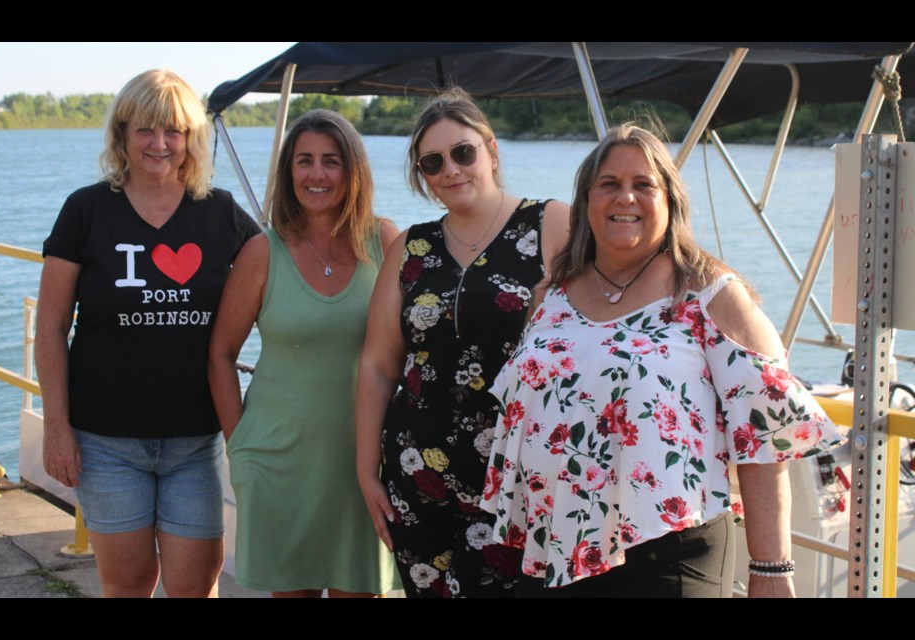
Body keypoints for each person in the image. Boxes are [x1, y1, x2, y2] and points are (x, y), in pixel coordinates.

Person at [479, 122, 845, 598]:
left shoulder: (712, 295)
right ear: (587, 200)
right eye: (609, 184)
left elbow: (764, 440)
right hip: (551, 552)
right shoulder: (551, 295)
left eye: (643, 185)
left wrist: (771, 571)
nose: (625, 198)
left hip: (667, 554)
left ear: (670, 201)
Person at [36, 69, 259, 597]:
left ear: (191, 139)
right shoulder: (85, 210)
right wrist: (56, 425)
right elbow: (49, 327)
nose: (160, 144)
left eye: (175, 131)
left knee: (194, 586)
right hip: (105, 441)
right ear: (122, 134)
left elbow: (283, 270)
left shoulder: (220, 213)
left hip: (193, 441)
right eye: (146, 130)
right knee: (129, 584)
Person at [356, 88, 571, 597]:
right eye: (433, 162)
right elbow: (378, 366)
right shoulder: (412, 246)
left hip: (515, 482)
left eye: (463, 152)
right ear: (423, 176)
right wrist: (367, 473)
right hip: (415, 478)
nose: (451, 169)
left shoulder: (549, 223)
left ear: (491, 150)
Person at [208, 109, 400, 597]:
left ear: (352, 170)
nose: (317, 174)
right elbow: (221, 354)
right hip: (278, 463)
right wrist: (240, 447)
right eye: (304, 161)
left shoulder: (385, 242)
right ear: (288, 171)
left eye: (331, 162)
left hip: (364, 461)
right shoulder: (261, 252)